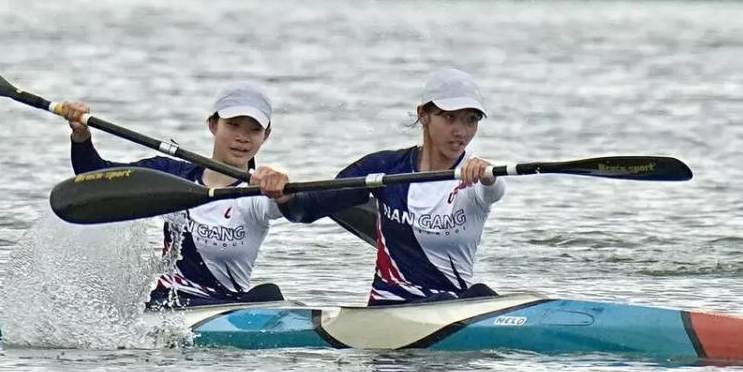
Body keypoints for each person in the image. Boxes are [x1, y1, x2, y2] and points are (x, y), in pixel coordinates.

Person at [259, 68, 505, 306]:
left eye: (470, 120)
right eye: (450, 117)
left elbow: (494, 189)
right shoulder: (384, 168)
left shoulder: (477, 176)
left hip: (452, 309)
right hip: (389, 309)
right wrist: (281, 194)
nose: (461, 131)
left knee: (480, 293)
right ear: (423, 115)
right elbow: (306, 209)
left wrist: (487, 176)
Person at [61, 81, 289, 308]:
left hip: (227, 306)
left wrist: (283, 194)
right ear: (213, 125)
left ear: (266, 135)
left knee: (270, 294)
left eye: (254, 130)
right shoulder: (172, 175)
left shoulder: (259, 194)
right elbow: (94, 177)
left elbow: (303, 209)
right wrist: (81, 136)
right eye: (233, 125)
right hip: (172, 303)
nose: (243, 137)